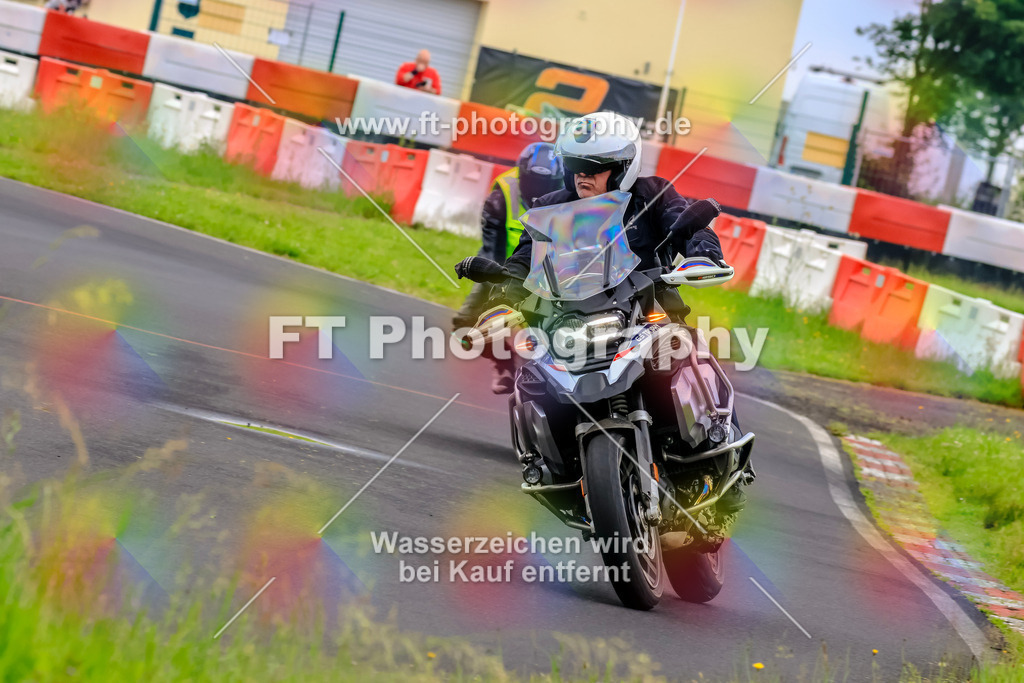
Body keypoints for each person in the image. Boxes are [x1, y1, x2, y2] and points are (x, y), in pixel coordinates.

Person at [453, 142, 564, 393]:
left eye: (545, 184)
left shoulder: (569, 197)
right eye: (533, 182)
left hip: (553, 269)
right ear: (521, 175)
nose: (538, 190)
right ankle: (501, 364)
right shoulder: (501, 195)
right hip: (506, 265)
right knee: (467, 323)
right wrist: (501, 281)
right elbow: (491, 248)